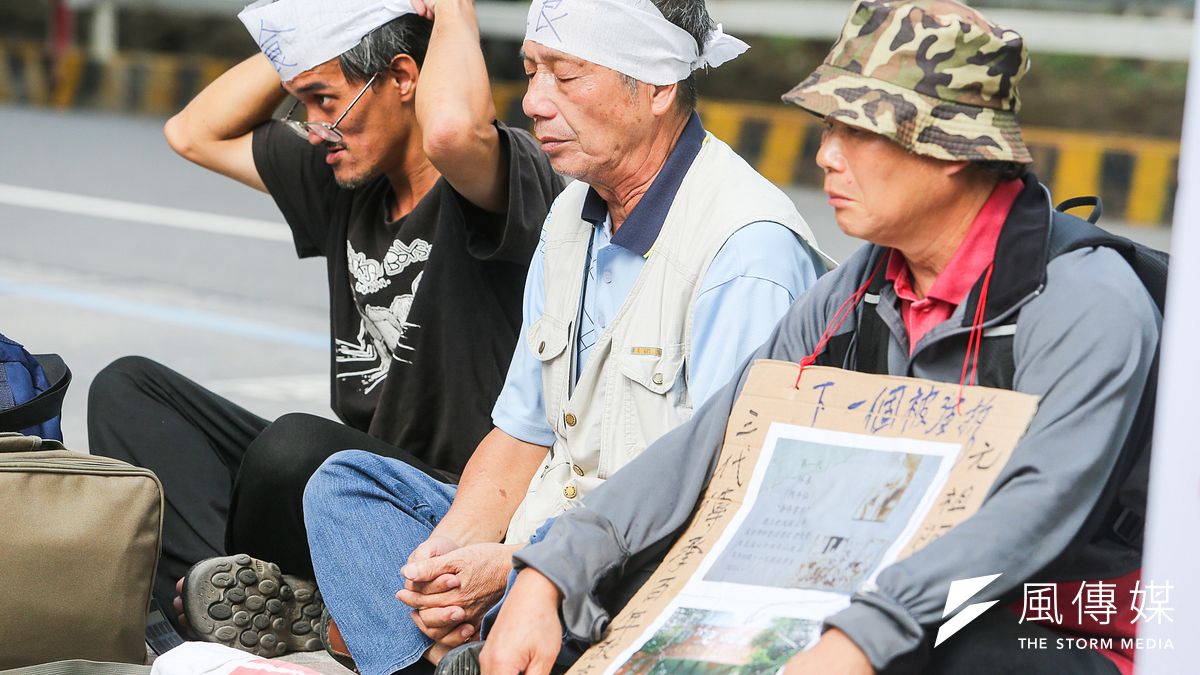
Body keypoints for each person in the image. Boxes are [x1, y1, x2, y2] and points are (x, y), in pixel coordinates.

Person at [477, 1, 1161, 674]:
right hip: (869, 597)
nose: (826, 155)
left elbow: (1029, 517)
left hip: (1047, 625)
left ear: (951, 149)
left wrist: (861, 636)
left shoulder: (1085, 304)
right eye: (828, 126)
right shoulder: (860, 288)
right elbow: (714, 445)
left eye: (858, 130)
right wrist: (554, 568)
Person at [301, 0, 834, 672]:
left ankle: (427, 648)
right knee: (343, 485)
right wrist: (444, 564)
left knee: (583, 604)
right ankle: (449, 644)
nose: (534, 103)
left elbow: (719, 501)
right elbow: (522, 433)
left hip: (642, 558)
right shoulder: (568, 218)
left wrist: (532, 566)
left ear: (660, 86)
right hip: (540, 534)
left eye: (566, 75)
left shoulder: (745, 252)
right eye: (530, 72)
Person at [85, 0, 562, 655]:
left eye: (323, 99)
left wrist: (451, 9)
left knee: (295, 450)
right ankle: (228, 606)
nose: (312, 127)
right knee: (127, 388)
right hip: (342, 484)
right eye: (300, 101)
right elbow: (193, 132)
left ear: (402, 78)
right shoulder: (344, 179)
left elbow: (451, 130)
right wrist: (328, 23)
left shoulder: (498, 182)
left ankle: (282, 603)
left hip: (442, 496)